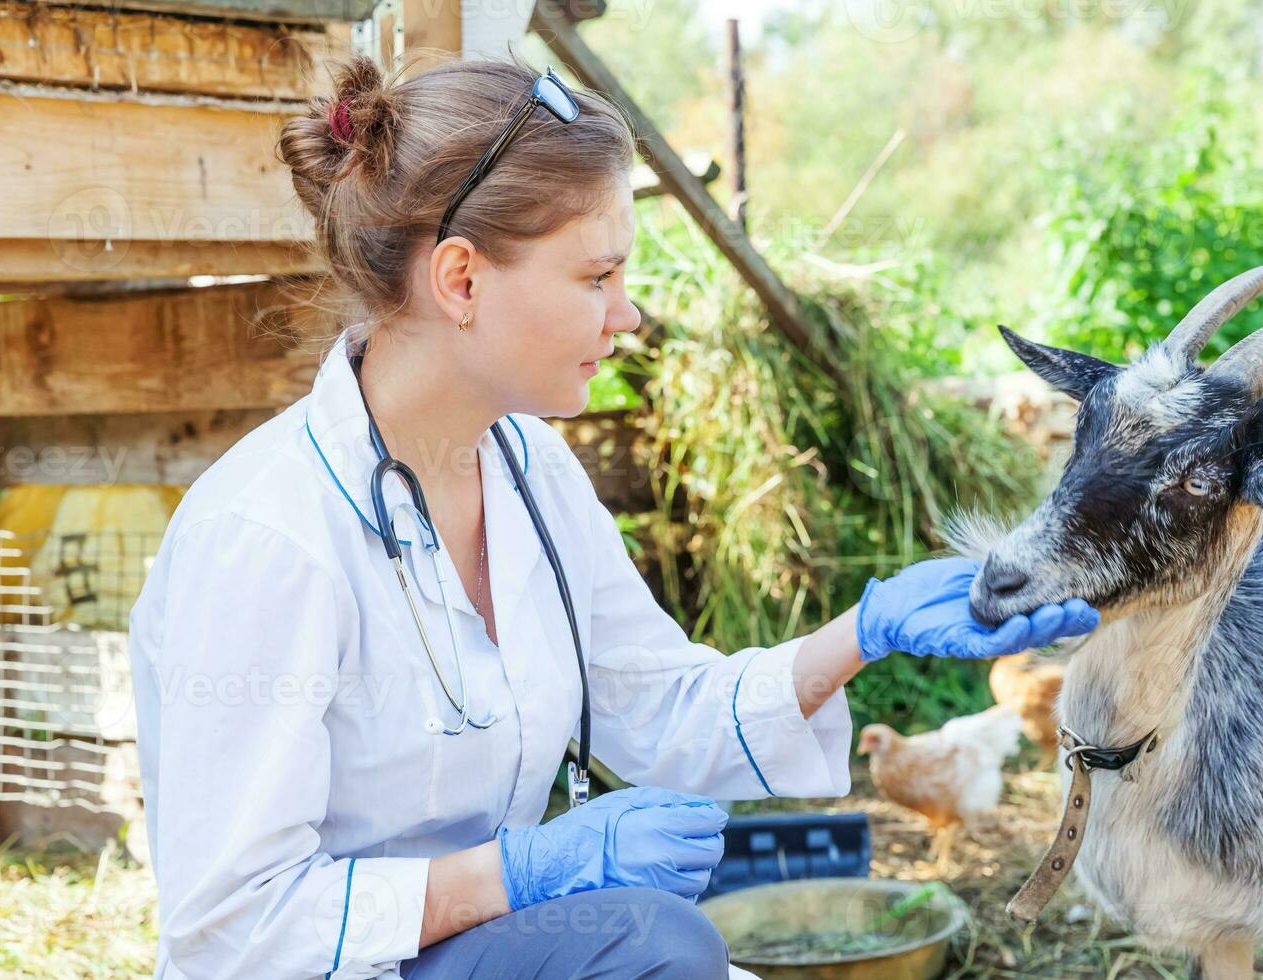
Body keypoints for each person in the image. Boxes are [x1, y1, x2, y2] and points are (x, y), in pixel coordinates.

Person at [125, 55, 1099, 980]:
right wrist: (520, 873)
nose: (627, 314)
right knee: (648, 936)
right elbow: (232, 930)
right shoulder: (269, 536)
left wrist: (864, 632)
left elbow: (661, 709)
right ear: (460, 280)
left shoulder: (529, 472)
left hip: (461, 951)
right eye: (596, 278)